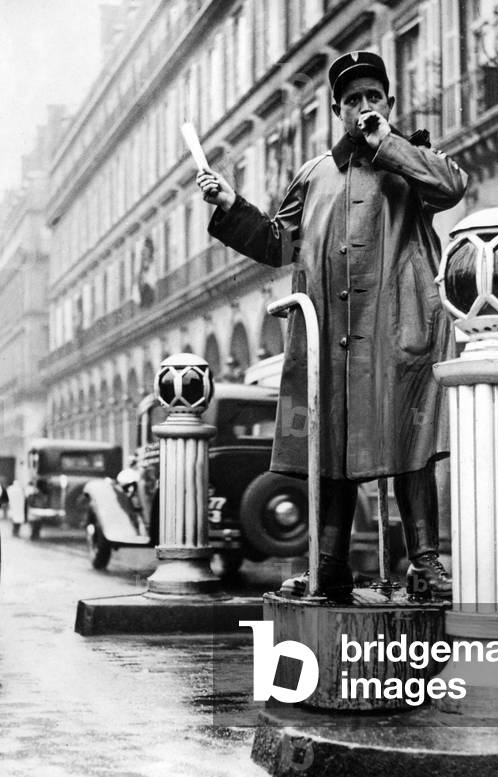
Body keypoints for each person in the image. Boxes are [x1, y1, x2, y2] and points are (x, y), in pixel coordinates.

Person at [196, 51, 468, 601]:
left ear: (388, 104)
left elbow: (452, 187)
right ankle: (328, 565)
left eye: (373, 98)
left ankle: (425, 563)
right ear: (336, 111)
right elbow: (279, 243)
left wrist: (390, 144)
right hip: (331, 340)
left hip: (398, 332)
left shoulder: (411, 160)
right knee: (332, 451)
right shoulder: (314, 175)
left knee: (411, 444)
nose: (363, 107)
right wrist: (230, 204)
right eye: (351, 101)